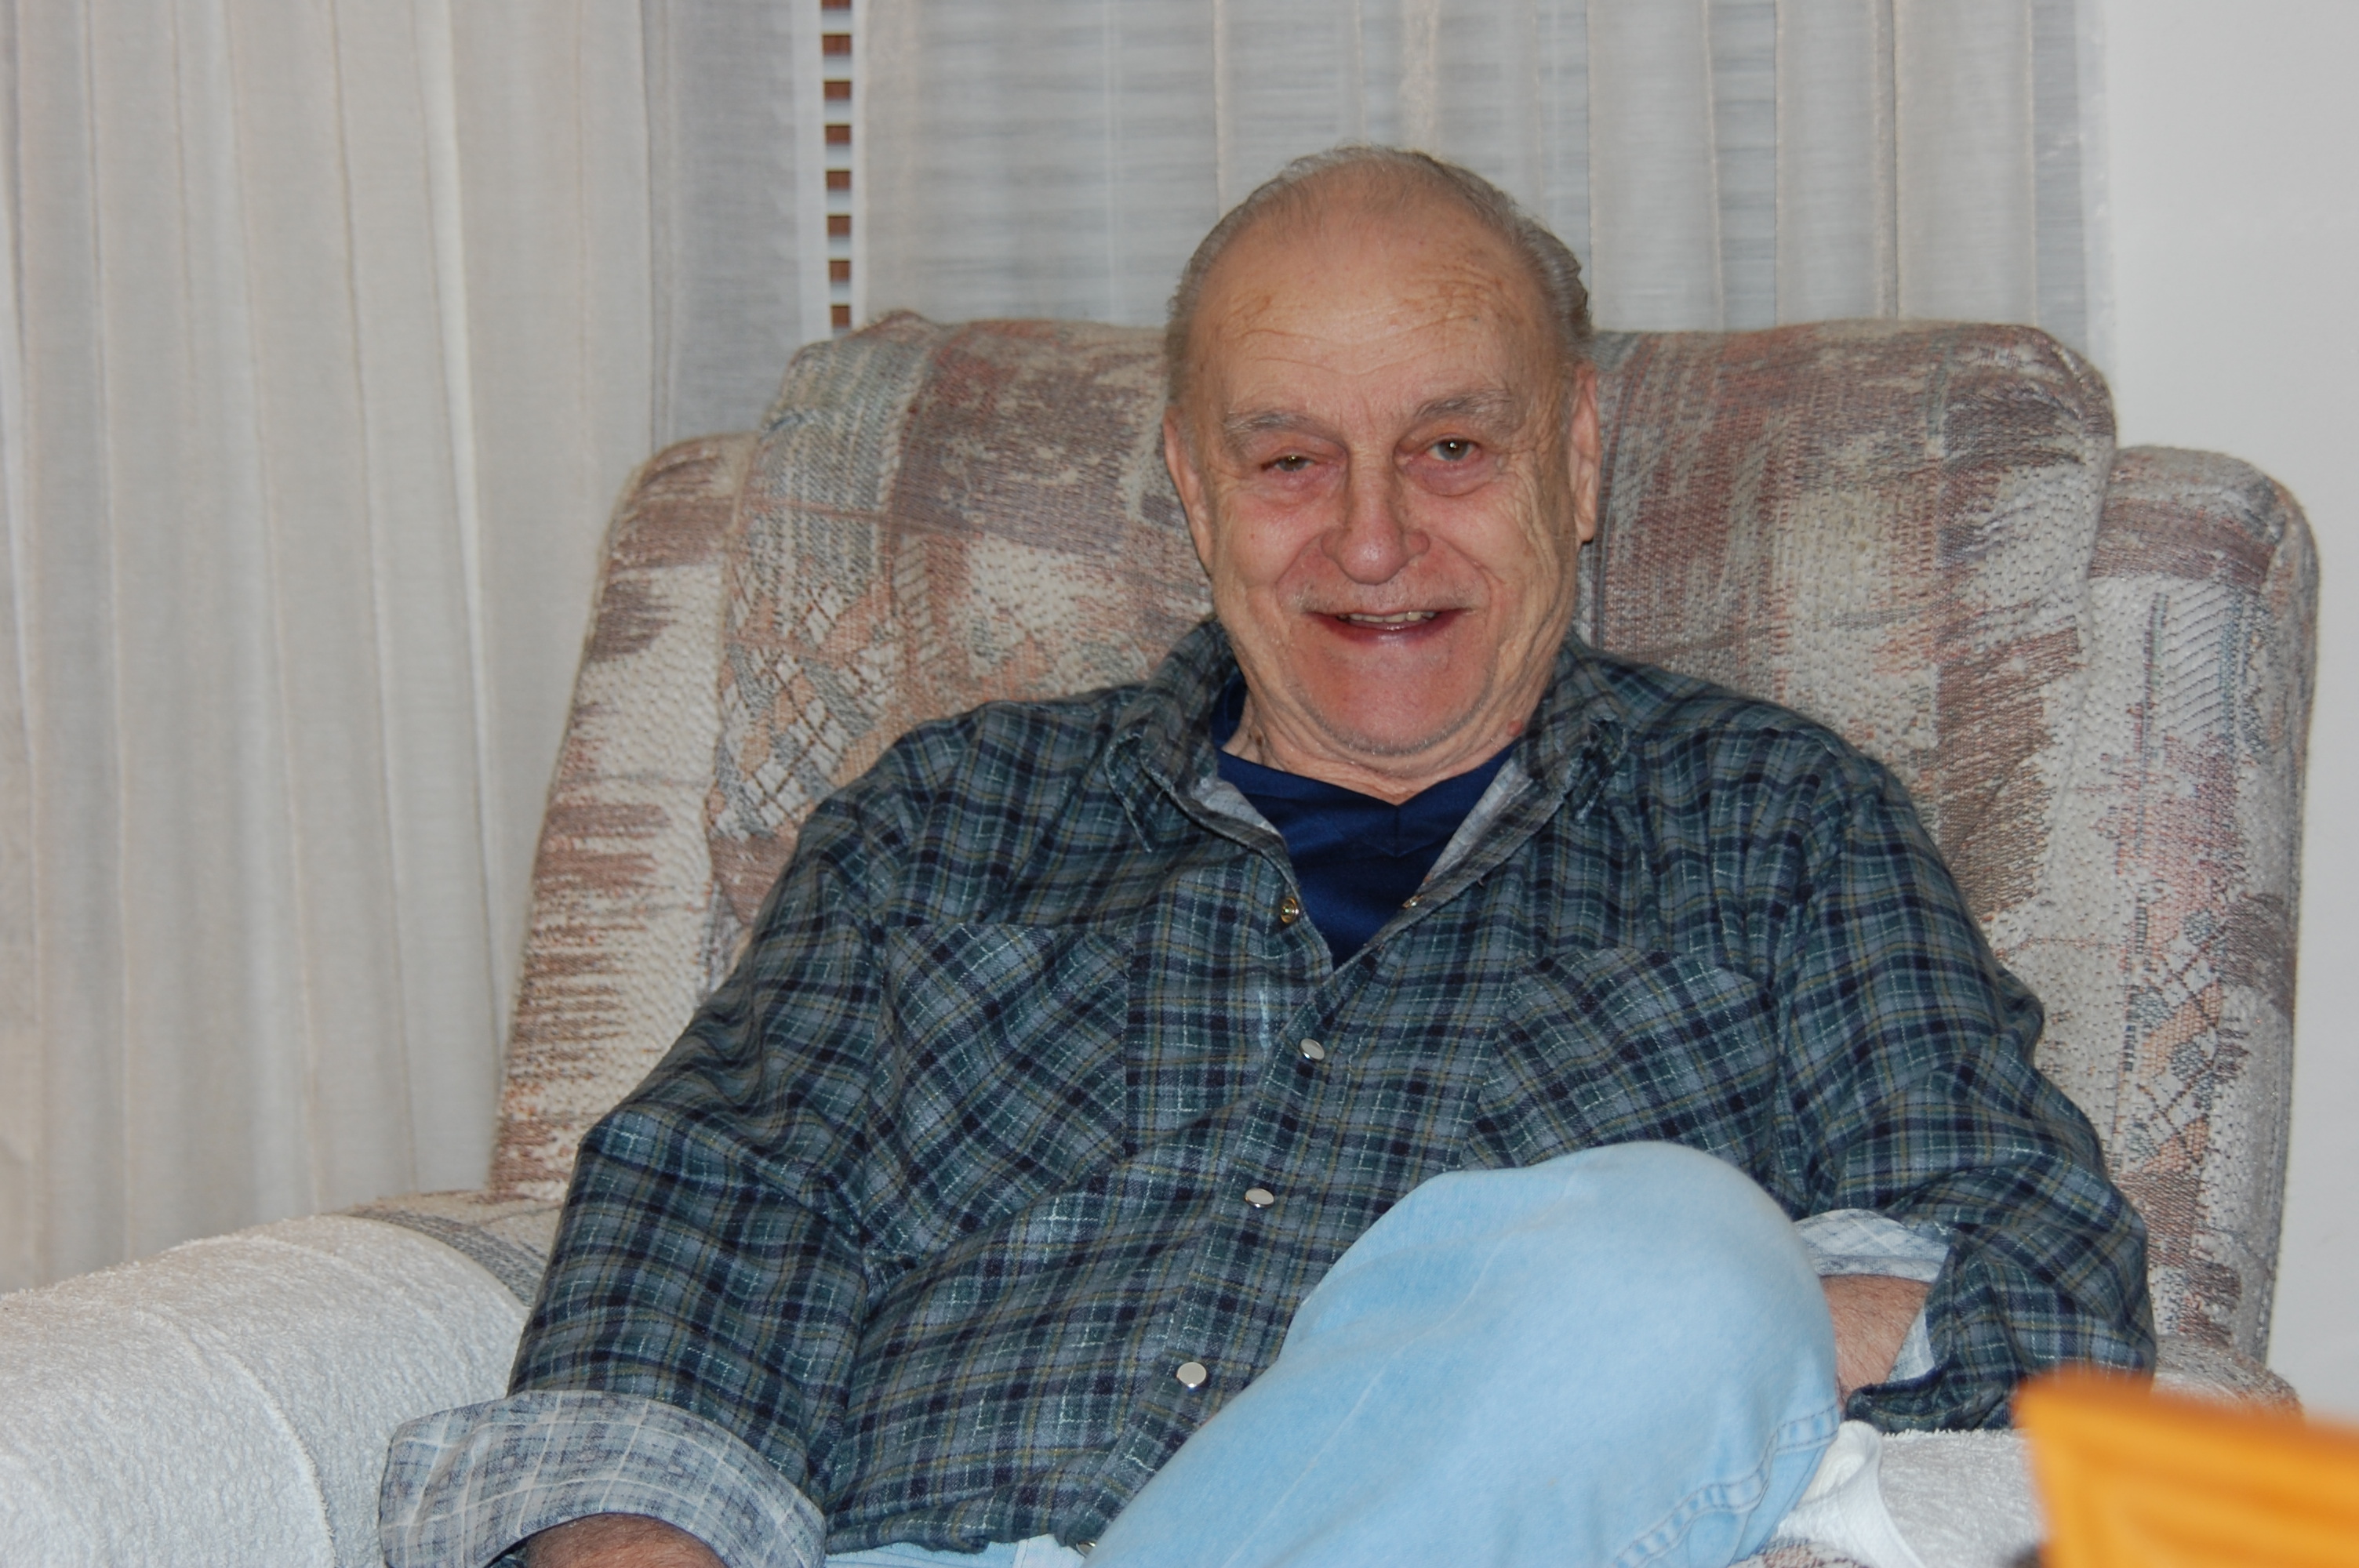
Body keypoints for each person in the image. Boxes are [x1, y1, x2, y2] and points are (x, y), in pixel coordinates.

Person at [382, 147, 2151, 1568]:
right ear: (1194, 483)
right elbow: (708, 1222)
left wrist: (1687, 1333)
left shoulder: (1775, 823)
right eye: (1291, 458)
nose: (1373, 538)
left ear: (1577, 456)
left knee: (1668, 1260)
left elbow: (2030, 1265)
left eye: (1451, 446)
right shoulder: (948, 817)